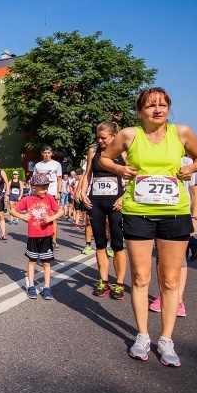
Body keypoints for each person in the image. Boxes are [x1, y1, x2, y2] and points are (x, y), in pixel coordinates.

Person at [99, 87, 197, 367]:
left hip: (174, 214)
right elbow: (104, 158)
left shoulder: (181, 132)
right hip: (138, 213)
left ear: (168, 108)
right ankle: (142, 335)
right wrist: (120, 170)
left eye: (162, 105)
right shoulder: (128, 135)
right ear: (140, 111)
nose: (157, 110)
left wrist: (191, 169)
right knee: (140, 278)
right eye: (150, 106)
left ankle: (167, 340)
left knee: (170, 280)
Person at [76, 121, 128, 300]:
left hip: (116, 203)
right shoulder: (93, 151)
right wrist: (83, 192)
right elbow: (88, 173)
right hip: (96, 202)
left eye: (103, 138)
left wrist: (124, 197)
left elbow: (135, 175)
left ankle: (119, 283)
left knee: (117, 244)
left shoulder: (123, 151)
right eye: (98, 137)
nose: (100, 141)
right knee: (99, 243)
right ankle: (103, 281)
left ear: (113, 136)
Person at [150, 155, 197, 317]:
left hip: (180, 214)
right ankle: (163, 296)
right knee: (161, 258)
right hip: (156, 213)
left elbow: (195, 193)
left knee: (179, 259)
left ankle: (178, 300)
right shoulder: (154, 157)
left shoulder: (188, 162)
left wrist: (195, 218)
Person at [9, 173, 62, 299]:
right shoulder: (27, 200)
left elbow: (61, 211)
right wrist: (22, 216)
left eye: (46, 187)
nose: (45, 190)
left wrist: (50, 218)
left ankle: (47, 287)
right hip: (33, 235)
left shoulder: (49, 198)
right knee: (32, 261)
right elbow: (12, 210)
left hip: (46, 235)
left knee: (46, 263)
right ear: (34, 187)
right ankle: (31, 286)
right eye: (42, 188)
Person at [33, 146, 63, 250]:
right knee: (40, 216)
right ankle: (42, 238)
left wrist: (59, 192)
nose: (46, 154)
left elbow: (59, 179)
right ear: (42, 153)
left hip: (52, 193)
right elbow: (34, 180)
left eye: (48, 152)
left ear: (52, 153)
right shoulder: (38, 165)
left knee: (53, 218)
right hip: (40, 194)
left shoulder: (56, 165)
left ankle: (54, 240)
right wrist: (34, 193)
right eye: (45, 152)